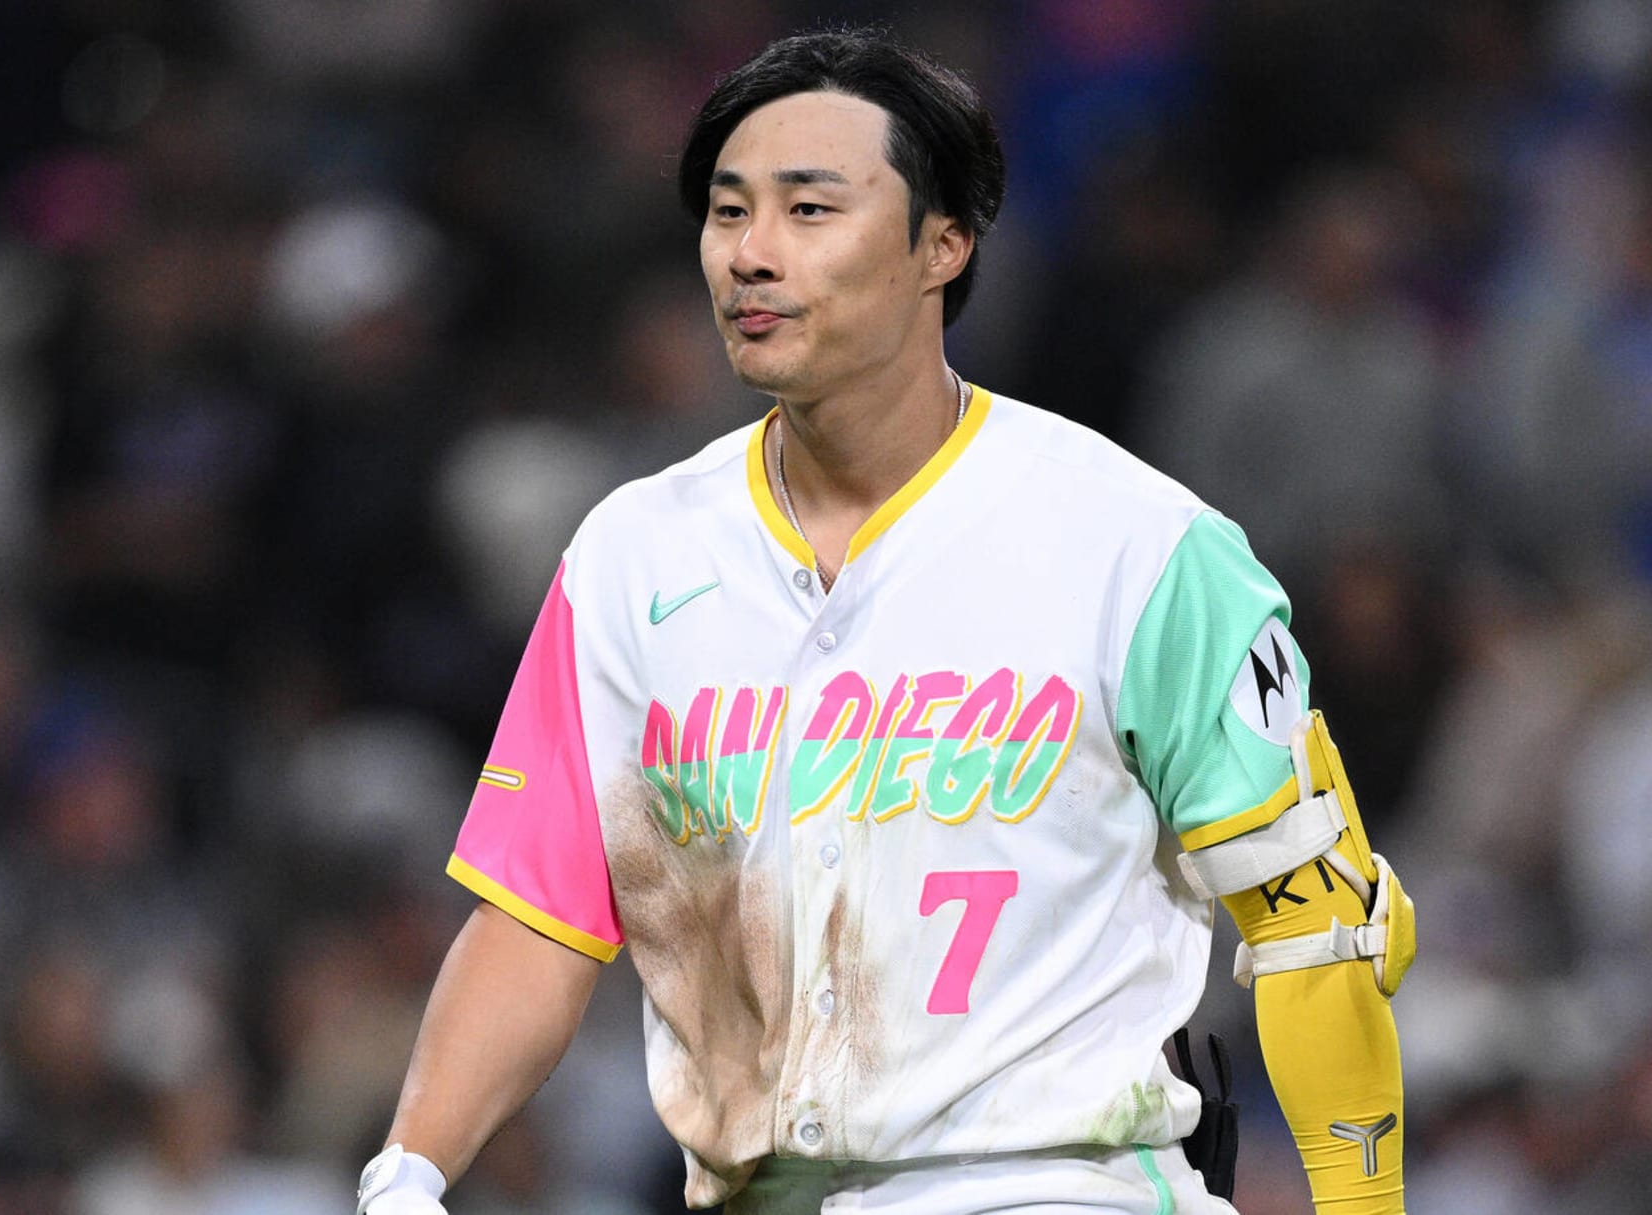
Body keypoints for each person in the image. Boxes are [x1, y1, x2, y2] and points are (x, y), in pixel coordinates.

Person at [356, 29, 1413, 1215]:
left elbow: (1318, 927)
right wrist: (410, 1172)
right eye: (727, 213)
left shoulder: (1139, 546)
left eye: (811, 211)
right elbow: (539, 920)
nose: (752, 255)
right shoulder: (630, 557)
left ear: (943, 243)